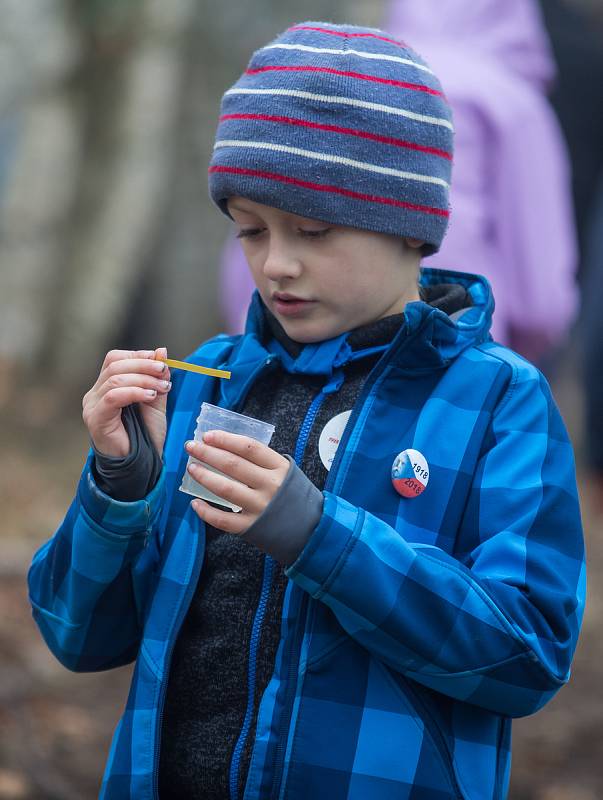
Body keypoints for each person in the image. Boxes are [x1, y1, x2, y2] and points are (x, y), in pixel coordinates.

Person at [28, 21, 585, 799]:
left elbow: (525, 658)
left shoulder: (497, 399)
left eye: (313, 232)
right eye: (250, 231)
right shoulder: (207, 381)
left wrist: (318, 536)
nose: (276, 265)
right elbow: (77, 636)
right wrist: (121, 485)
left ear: (410, 229)